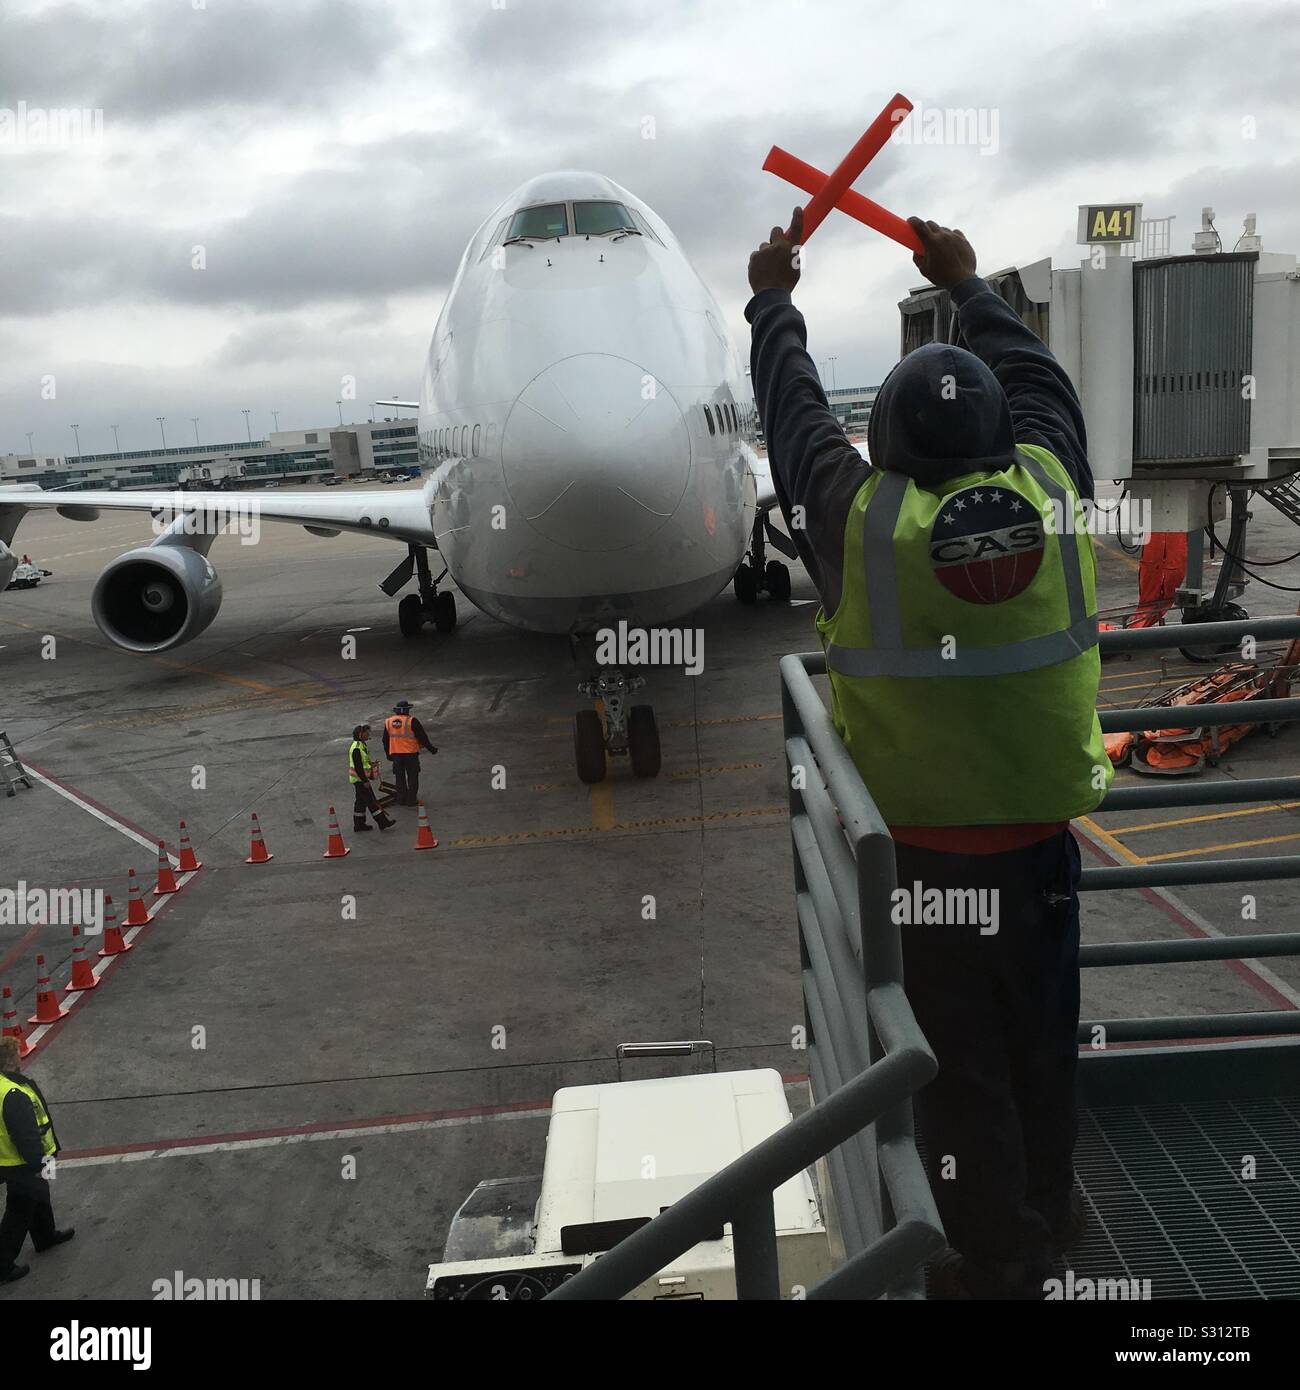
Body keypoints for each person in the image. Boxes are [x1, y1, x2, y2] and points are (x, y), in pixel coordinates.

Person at [747, 208, 1110, 1299]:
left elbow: (794, 416)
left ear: (888, 444)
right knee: (1041, 1043)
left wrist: (773, 300)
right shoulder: (1052, 490)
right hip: (1045, 845)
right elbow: (1044, 385)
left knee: (956, 1073)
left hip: (928, 866)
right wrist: (966, 282)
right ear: (1005, 432)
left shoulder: (861, 521)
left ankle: (1001, 1258)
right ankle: (1047, 1216)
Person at [1, 1034, 75, 1285]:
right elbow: (26, 1136)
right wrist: (38, 1164)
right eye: (17, 1054)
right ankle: (2, 1264)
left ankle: (45, 1236)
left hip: (10, 1159)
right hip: (22, 1161)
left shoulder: (5, 1085)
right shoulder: (14, 1093)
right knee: (19, 1210)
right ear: (10, 1060)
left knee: (39, 1193)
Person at [382, 700, 437, 807]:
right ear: (407, 710)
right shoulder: (412, 721)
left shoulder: (389, 722)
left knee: (399, 778)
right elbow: (423, 737)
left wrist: (388, 755)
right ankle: (411, 800)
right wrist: (431, 749)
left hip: (396, 756)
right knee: (412, 777)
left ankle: (401, 799)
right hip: (410, 755)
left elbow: (385, 740)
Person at [349, 724, 395, 832]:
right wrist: (365, 781)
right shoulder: (356, 748)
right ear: (360, 735)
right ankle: (383, 822)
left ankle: (359, 825)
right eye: (366, 733)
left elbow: (362, 762)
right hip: (360, 780)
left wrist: (370, 764)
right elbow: (358, 767)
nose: (368, 735)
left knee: (360, 802)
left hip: (359, 780)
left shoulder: (361, 745)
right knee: (372, 802)